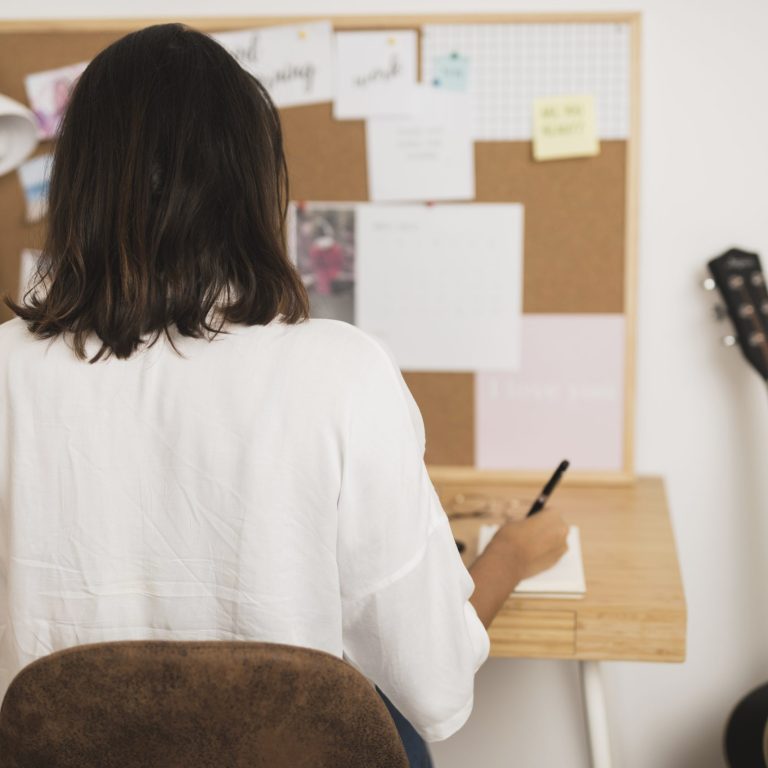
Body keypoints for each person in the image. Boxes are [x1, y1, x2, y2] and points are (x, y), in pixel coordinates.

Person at [0, 24, 568, 767]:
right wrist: (508, 560)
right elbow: (435, 686)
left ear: (79, 186)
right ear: (257, 189)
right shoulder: (340, 373)